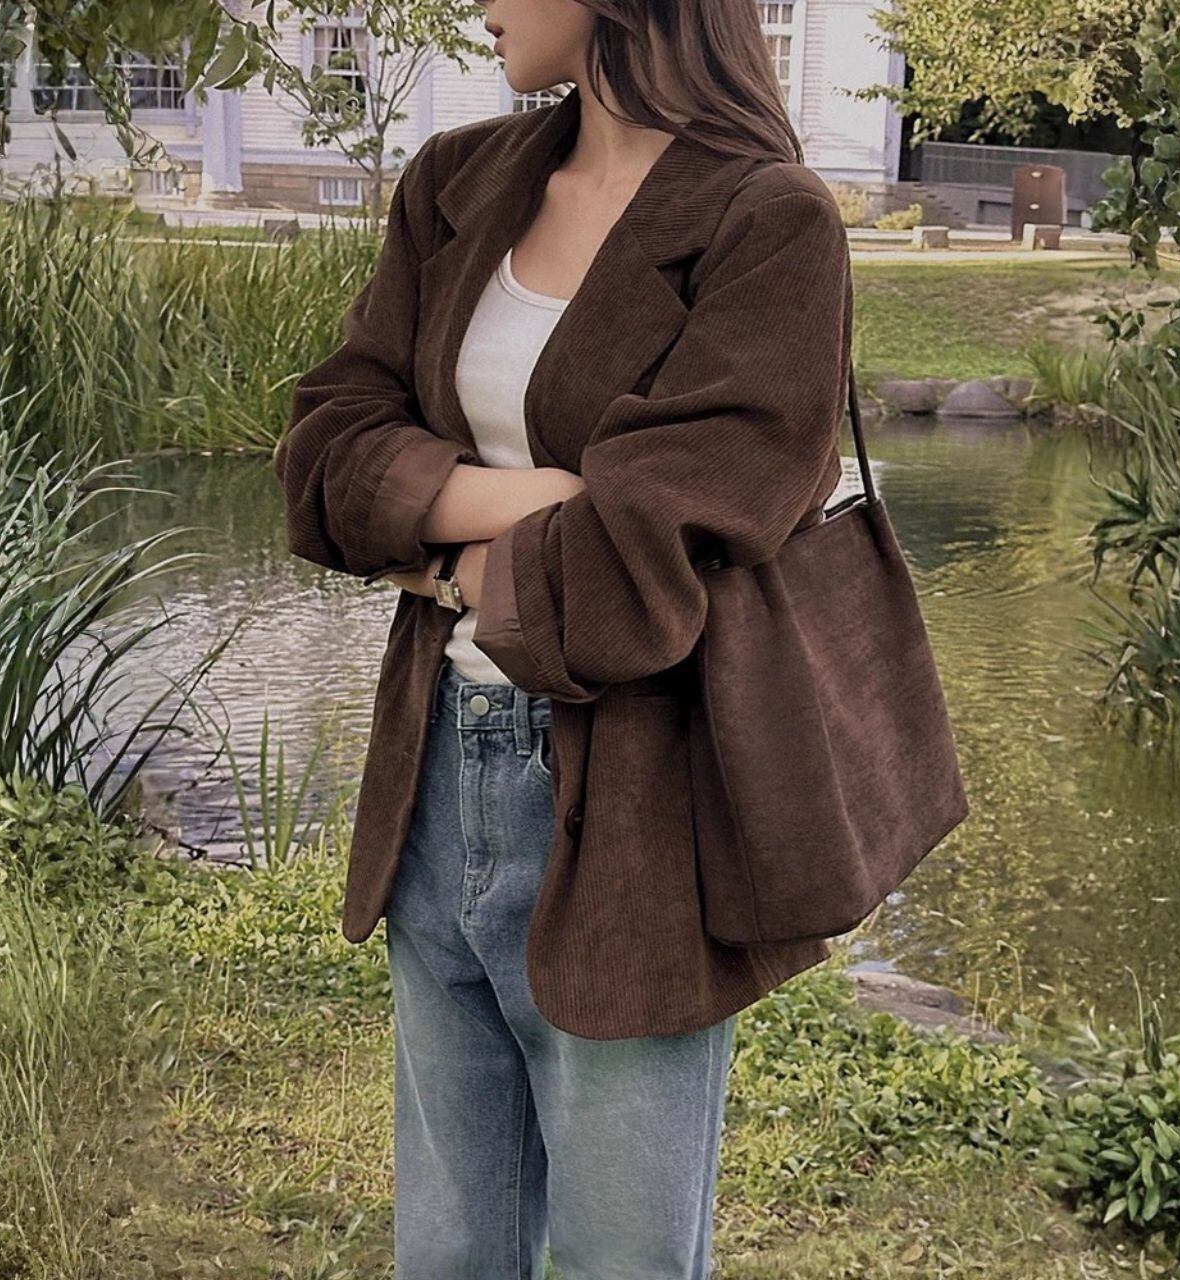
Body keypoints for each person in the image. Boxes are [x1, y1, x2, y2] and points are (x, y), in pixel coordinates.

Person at [275, 0, 854, 1274]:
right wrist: (536, 501)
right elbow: (323, 449)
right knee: (449, 1245)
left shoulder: (767, 221)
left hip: (637, 797)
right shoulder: (456, 183)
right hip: (433, 766)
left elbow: (662, 546)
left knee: (622, 1255)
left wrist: (428, 543)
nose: (478, 6)